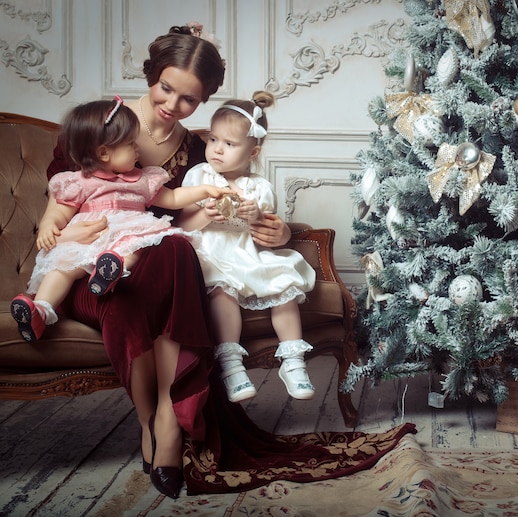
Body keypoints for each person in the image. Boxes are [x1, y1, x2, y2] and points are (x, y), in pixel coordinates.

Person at [46, 23, 414, 499]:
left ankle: (168, 419)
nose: (173, 105)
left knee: (173, 249)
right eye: (166, 88)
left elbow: (229, 212)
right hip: (97, 270)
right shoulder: (101, 127)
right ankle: (152, 422)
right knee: (141, 288)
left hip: (167, 271)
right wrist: (65, 230)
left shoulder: (199, 151)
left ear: (204, 102)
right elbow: (54, 217)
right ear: (152, 75)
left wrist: (279, 232)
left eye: (190, 100)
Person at [11, 98, 229, 342]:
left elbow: (175, 197)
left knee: (135, 244)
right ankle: (40, 309)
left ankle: (111, 271)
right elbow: (60, 211)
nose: (138, 149)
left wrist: (206, 190)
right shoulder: (79, 181)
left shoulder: (141, 179)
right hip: (87, 241)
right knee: (64, 267)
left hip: (125, 234)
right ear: (104, 152)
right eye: (131, 144)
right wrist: (49, 226)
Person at [179, 91, 316, 403]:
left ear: (253, 152)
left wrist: (255, 213)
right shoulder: (198, 176)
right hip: (210, 255)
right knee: (222, 291)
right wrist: (204, 214)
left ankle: (293, 360)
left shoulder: (258, 187)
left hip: (246, 253)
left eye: (229, 144)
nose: (216, 149)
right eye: (213, 140)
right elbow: (182, 225)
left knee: (284, 284)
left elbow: (266, 224)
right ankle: (231, 364)